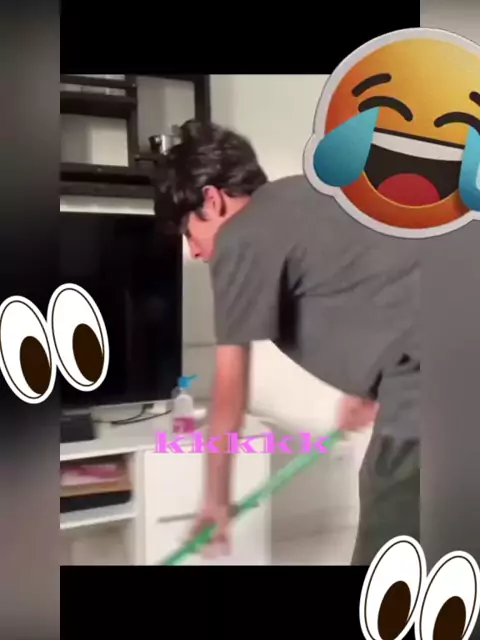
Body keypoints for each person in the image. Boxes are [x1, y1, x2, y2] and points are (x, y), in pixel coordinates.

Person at [156, 119, 420, 565]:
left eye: (188, 232)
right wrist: (369, 387)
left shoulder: (239, 239)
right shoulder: (310, 193)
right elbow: (384, 284)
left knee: (390, 559)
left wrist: (216, 501)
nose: (195, 251)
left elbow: (229, 394)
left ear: (212, 200)